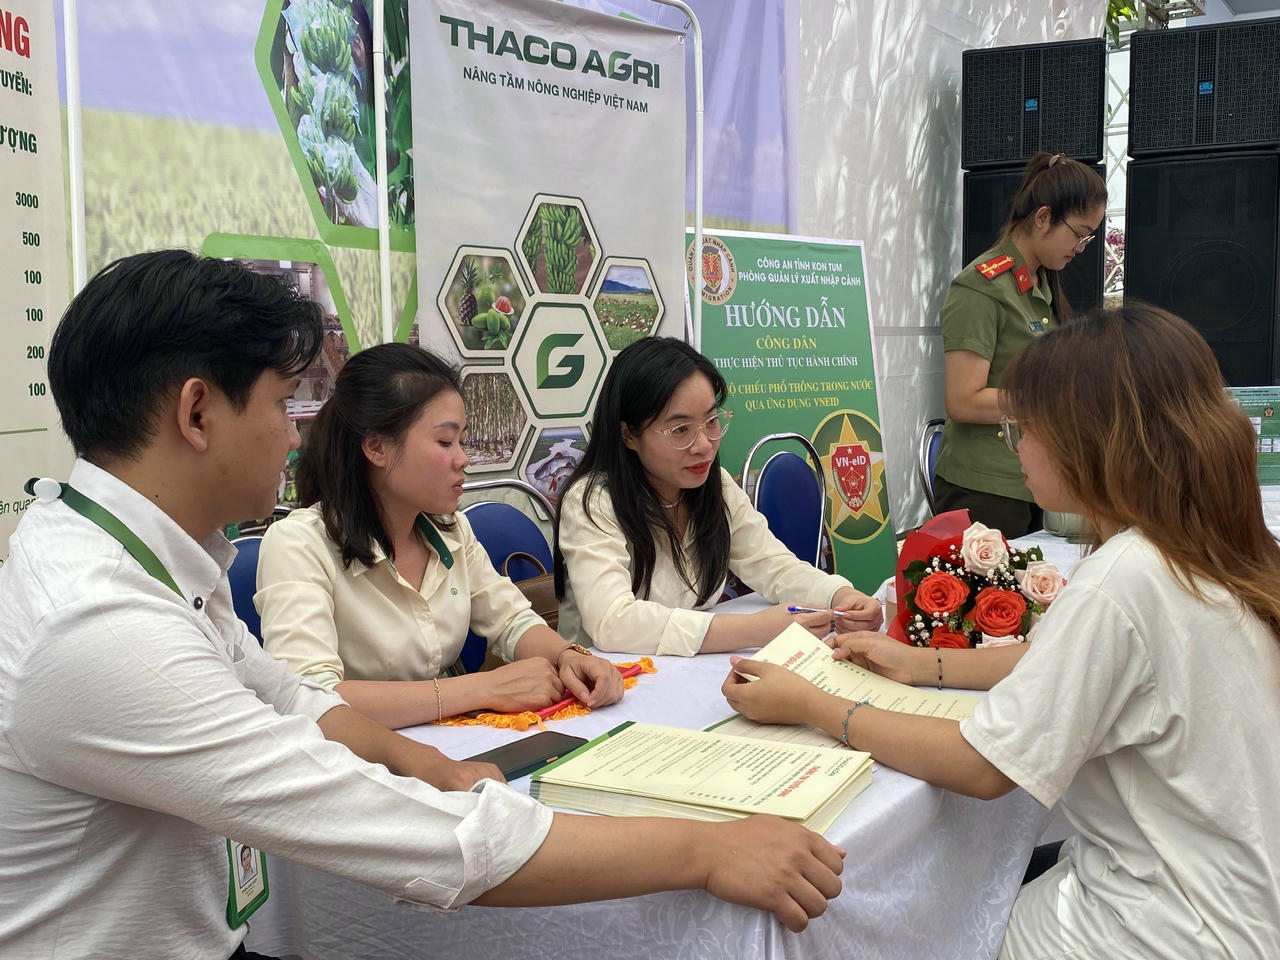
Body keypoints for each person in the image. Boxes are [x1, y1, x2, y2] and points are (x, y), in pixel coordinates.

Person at [0, 251, 845, 960]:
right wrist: (704, 848)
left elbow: (291, 698)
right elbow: (365, 812)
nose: (295, 433)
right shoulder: (101, 626)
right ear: (196, 412)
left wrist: (433, 765)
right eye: (281, 404)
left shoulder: (150, 559)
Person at [722, 304, 1280, 959]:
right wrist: (920, 664)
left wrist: (814, 705)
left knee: (897, 921)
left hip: (1159, 927)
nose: (1014, 447)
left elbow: (983, 766)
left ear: (1087, 439)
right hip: (1231, 899)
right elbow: (1051, 658)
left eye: (1023, 429)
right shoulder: (1211, 546)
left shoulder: (1125, 579)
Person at [255, 342, 624, 731]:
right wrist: (482, 688)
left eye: (461, 440)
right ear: (376, 447)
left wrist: (568, 656)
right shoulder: (299, 544)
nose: (463, 458)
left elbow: (510, 620)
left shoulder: (451, 530)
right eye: (445, 442)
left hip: (449, 738)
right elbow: (310, 698)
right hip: (360, 755)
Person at [553, 336, 881, 656]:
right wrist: (755, 629)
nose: (704, 445)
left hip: (684, 672)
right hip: (608, 679)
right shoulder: (593, 502)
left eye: (711, 421)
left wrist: (840, 595)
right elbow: (612, 621)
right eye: (680, 430)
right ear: (629, 434)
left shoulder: (714, 485)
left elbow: (773, 565)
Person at [933, 152, 1106, 537]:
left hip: (1033, 477)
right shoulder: (981, 286)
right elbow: (963, 400)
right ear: (1043, 217)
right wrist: (1053, 401)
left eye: (1089, 237)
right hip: (985, 487)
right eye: (1079, 233)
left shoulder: (1039, 282)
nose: (1081, 247)